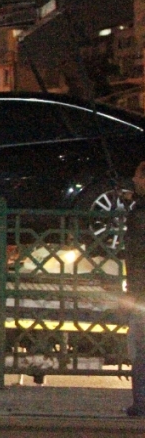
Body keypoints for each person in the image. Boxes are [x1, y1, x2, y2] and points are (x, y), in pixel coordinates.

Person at [122, 161, 145, 416]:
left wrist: (131, 294)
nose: (134, 180)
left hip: (143, 293)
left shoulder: (140, 214)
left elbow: (138, 257)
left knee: (140, 349)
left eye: (139, 177)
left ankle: (141, 403)